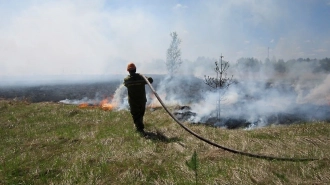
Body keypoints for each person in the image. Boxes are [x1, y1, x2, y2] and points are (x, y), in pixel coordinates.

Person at [123, 63, 153, 134]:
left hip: (133, 102)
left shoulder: (127, 80)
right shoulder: (141, 78)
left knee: (136, 115)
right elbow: (150, 80)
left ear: (128, 71)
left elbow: (126, 84)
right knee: (141, 114)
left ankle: (139, 129)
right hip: (142, 100)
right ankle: (140, 128)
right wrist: (143, 76)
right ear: (135, 69)